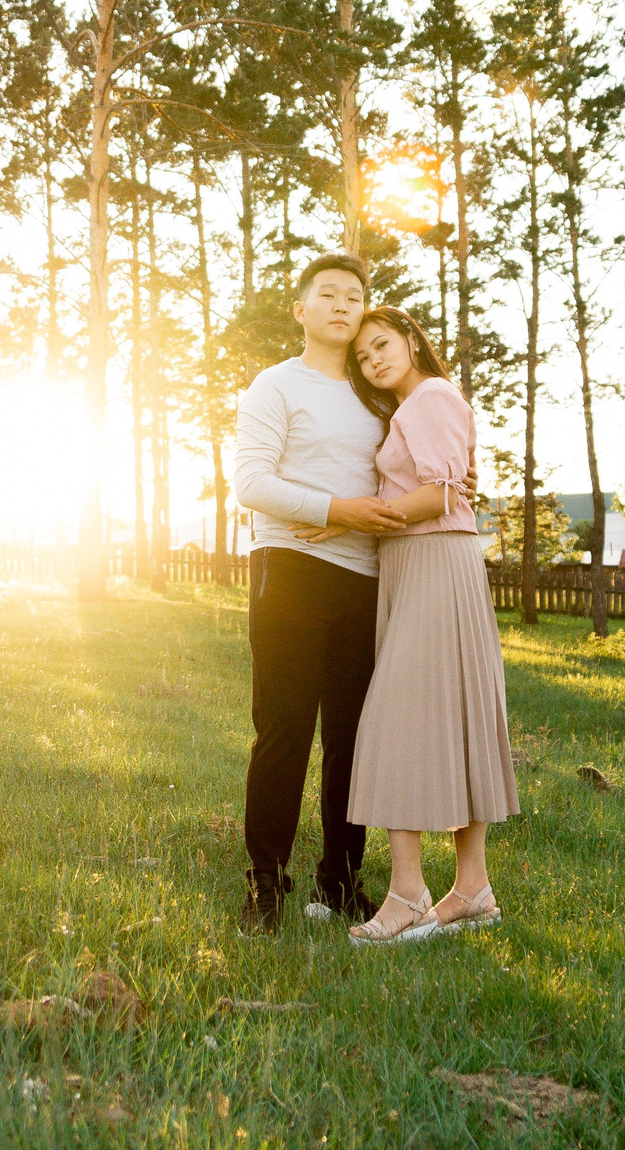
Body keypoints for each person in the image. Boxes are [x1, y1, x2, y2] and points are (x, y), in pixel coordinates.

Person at [330, 304, 517, 946]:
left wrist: (347, 517)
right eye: (363, 356)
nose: (374, 359)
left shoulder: (430, 394)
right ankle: (471, 890)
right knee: (454, 714)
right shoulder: (413, 406)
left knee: (391, 718)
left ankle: (409, 895)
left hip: (436, 558)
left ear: (411, 340)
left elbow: (444, 493)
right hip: (418, 562)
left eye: (382, 344)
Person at [228, 252, 405, 933]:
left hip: (364, 578)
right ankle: (266, 883)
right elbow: (251, 481)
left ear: (365, 312)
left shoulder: (378, 394)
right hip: (289, 572)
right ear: (301, 310)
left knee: (352, 738)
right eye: (327, 294)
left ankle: (342, 879)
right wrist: (336, 509)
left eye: (354, 296)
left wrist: (364, 515)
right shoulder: (276, 385)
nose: (341, 304)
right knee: (284, 729)